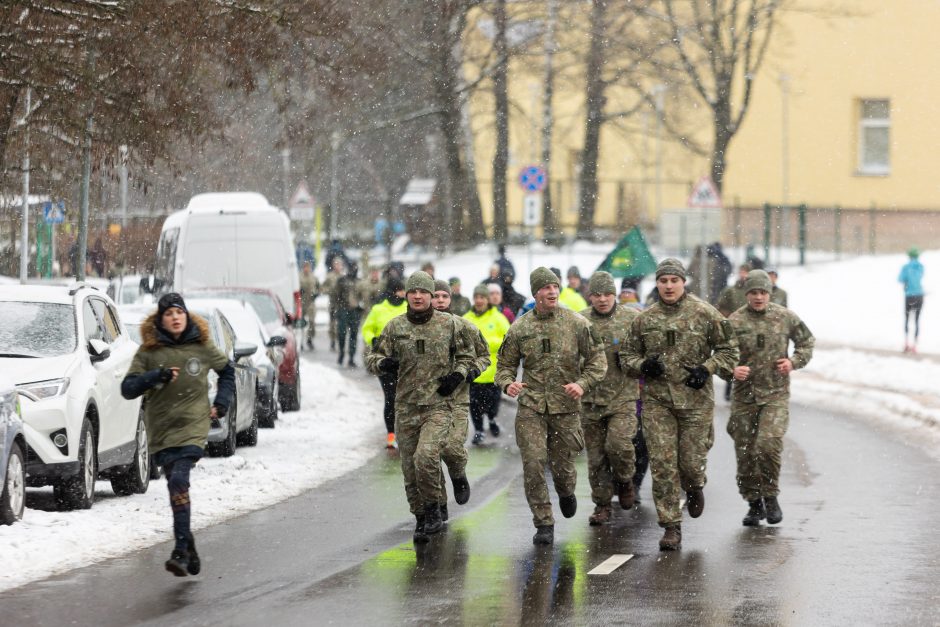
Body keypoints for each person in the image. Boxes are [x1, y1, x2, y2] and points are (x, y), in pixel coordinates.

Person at [620, 258, 738, 551]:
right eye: (663, 281)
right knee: (662, 465)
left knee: (690, 463)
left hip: (695, 403)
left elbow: (729, 349)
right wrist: (643, 366)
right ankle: (671, 526)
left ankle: (695, 484)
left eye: (674, 280)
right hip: (658, 403)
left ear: (683, 282)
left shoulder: (704, 313)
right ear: (657, 284)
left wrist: (707, 368)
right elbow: (626, 356)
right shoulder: (644, 319)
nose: (668, 286)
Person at [120, 293, 236, 577]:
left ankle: (180, 550)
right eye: (169, 313)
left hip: (193, 425)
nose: (175, 317)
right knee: (176, 486)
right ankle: (189, 547)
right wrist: (155, 376)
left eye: (179, 312)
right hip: (161, 429)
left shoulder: (202, 345)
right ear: (161, 319)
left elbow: (227, 372)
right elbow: (128, 388)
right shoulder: (149, 351)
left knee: (179, 480)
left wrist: (221, 403)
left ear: (186, 316)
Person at [495, 267, 607, 545]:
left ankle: (566, 492)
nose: (553, 291)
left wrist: (582, 383)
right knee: (533, 463)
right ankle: (543, 522)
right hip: (531, 406)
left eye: (555, 287)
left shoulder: (577, 323)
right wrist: (507, 383)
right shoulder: (520, 327)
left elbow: (598, 361)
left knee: (562, 467)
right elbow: (504, 367)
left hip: (565, 407)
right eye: (546, 288)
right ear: (536, 293)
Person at [366, 271, 475, 544]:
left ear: (430, 296)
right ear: (406, 294)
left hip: (438, 406)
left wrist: (458, 375)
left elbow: (468, 355)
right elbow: (372, 356)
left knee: (425, 457)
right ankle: (422, 515)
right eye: (413, 291)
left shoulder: (450, 325)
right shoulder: (395, 327)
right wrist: (382, 364)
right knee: (410, 468)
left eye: (423, 292)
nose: (418, 296)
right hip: (406, 407)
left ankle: (434, 509)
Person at [725, 270, 814, 526]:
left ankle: (771, 496)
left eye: (763, 292)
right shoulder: (735, 321)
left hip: (775, 394)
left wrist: (793, 361)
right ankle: (753, 503)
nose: (759, 297)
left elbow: (807, 342)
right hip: (745, 397)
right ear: (746, 294)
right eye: (753, 292)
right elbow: (720, 354)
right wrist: (731, 369)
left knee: (768, 444)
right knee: (745, 452)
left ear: (770, 293)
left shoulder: (784, 317)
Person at [579, 271, 641, 525]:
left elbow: (649, 350)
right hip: (590, 399)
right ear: (590, 296)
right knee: (596, 458)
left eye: (607, 294)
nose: (602, 299)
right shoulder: (579, 321)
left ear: (615, 294)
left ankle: (625, 480)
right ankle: (602, 505)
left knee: (618, 445)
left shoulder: (633, 319)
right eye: (597, 294)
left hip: (623, 397)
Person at [431, 280, 490, 518]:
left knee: (452, 447)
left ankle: (457, 473)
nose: (441, 300)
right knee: (429, 454)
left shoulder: (464, 326)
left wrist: (471, 371)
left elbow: (484, 355)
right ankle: (438, 502)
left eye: (445, 296)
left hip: (456, 399)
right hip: (426, 401)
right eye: (436, 296)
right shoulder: (413, 328)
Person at [362, 278, 408, 448]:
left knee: (405, 399)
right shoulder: (378, 309)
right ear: (392, 291)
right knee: (390, 397)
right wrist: (373, 340)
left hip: (406, 361)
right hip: (385, 361)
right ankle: (391, 434)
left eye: (404, 291)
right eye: (399, 290)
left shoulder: (409, 309)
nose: (402, 294)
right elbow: (367, 328)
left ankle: (405, 432)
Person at [463, 284, 511, 445]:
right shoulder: (466, 318)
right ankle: (478, 431)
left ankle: (491, 420)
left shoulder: (498, 318)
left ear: (487, 299)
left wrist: (486, 343)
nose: (479, 300)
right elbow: (462, 341)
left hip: (493, 372)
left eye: (482, 297)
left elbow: (508, 340)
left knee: (493, 403)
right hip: (474, 372)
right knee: (475, 405)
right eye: (476, 297)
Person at [716, 263, 751, 401]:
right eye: (742, 271)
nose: (744, 275)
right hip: (734, 330)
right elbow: (721, 308)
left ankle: (746, 391)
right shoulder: (731, 291)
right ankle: (729, 389)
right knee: (734, 361)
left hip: (750, 331)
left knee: (748, 361)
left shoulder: (754, 291)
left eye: (746, 272)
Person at [335, 262, 367, 368]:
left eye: (355, 268)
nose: (353, 270)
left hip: (355, 312)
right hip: (343, 310)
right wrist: (336, 310)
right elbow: (336, 295)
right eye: (352, 268)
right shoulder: (342, 281)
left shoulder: (360, 282)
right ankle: (341, 354)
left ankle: (351, 358)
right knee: (341, 334)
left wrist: (361, 306)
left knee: (353, 335)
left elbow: (363, 297)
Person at [899, 247, 925, 353]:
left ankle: (906, 343)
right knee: (917, 320)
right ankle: (914, 346)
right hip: (919, 295)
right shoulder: (920, 266)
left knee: (907, 319)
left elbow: (900, 279)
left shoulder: (905, 267)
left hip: (909, 296)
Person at [322, 258, 346, 352]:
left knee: (341, 324)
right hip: (333, 303)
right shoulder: (329, 276)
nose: (338, 266)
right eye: (336, 264)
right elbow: (323, 288)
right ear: (333, 265)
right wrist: (329, 291)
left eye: (339, 264)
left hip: (341, 304)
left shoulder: (344, 276)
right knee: (332, 323)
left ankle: (340, 341)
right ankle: (332, 341)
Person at [299, 261, 320, 350]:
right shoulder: (299, 277)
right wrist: (300, 291)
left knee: (312, 322)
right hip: (301, 302)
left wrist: (316, 294)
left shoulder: (314, 277)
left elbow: (319, 287)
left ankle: (310, 339)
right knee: (300, 323)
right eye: (305, 267)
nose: (306, 269)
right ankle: (300, 341)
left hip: (311, 302)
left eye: (308, 267)